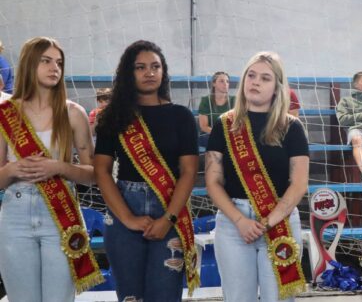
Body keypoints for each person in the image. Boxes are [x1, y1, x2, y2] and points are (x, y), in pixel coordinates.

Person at [94, 40, 200, 301]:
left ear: (163, 72)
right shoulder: (114, 116)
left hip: (170, 207)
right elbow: (102, 171)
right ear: (128, 74)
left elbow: (188, 172)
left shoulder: (181, 116)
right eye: (140, 67)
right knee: (130, 297)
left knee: (165, 295)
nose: (149, 72)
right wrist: (128, 218)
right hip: (123, 208)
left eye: (155, 66)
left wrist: (169, 219)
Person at [0, 36, 103, 301]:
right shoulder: (5, 113)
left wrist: (59, 167)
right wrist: (13, 170)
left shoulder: (73, 113)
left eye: (59, 62)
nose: (54, 67)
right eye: (46, 61)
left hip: (61, 215)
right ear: (28, 63)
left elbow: (94, 175)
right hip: (15, 215)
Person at [205, 51, 308, 301]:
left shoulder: (292, 127)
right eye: (251, 75)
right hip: (233, 224)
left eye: (265, 78)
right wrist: (241, 221)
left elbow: (299, 183)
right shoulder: (223, 125)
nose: (255, 82)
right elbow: (213, 182)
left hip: (280, 222)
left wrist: (267, 222)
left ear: (277, 87)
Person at [198, 71, 235, 147]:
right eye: (222, 81)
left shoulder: (234, 100)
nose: (225, 84)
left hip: (230, 136)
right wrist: (221, 134)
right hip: (210, 135)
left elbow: (237, 123)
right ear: (214, 83)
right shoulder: (206, 100)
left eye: (227, 81)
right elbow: (203, 126)